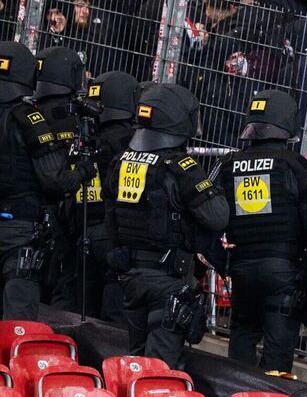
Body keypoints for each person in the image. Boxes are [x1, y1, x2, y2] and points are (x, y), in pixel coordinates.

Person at [103, 84, 229, 368]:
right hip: (168, 279)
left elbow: (111, 218)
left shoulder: (120, 162)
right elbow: (217, 216)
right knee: (159, 370)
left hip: (131, 278)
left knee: (135, 363)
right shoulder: (180, 166)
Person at [216, 90, 307, 374]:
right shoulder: (293, 164)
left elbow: (211, 215)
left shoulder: (228, 164)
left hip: (241, 266)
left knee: (242, 335)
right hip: (282, 268)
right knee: (278, 349)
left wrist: (222, 261)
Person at [0, 41, 88, 320]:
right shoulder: (28, 118)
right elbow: (55, 180)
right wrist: (84, 171)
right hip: (19, 229)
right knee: (18, 322)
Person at [75, 71, 138, 323]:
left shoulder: (85, 136)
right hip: (112, 234)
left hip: (82, 230)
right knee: (112, 320)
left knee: (80, 311)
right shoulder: (128, 140)